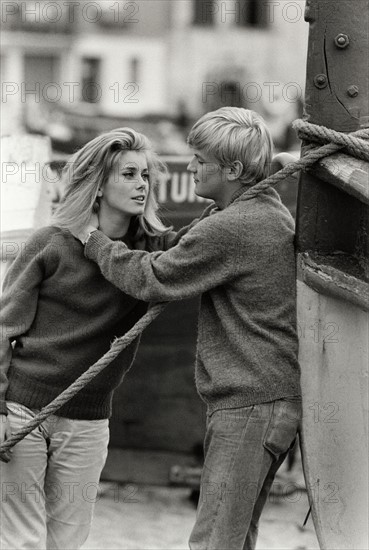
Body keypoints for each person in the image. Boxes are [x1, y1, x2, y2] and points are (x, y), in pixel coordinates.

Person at [77, 107, 302, 550]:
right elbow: (187, 247)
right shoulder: (265, 210)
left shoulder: (234, 226)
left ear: (234, 170)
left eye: (200, 160)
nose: (193, 166)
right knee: (236, 539)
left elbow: (153, 278)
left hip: (248, 406)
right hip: (271, 401)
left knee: (213, 540)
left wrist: (95, 241)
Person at [0, 128, 174, 550]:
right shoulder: (50, 243)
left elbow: (213, 235)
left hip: (89, 418)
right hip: (22, 411)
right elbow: (4, 329)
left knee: (69, 542)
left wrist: (267, 176)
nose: (141, 185)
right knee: (21, 541)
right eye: (129, 174)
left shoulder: (153, 256)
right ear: (98, 184)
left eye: (145, 175)